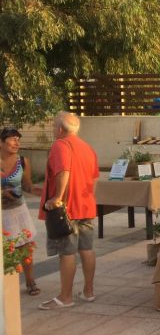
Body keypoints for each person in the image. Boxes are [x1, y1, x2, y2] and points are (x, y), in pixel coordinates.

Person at [37, 112, 99, 310]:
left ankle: (66, 297)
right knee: (86, 249)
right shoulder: (88, 148)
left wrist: (57, 198)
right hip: (86, 205)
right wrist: (88, 199)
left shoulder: (60, 145)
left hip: (67, 208)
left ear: (61, 129)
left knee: (67, 252)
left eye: (54, 125)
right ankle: (88, 292)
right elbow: (94, 179)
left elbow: (63, 170)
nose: (53, 129)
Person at [1, 127, 39, 295]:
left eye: (18, 139)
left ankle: (31, 282)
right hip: (1, 212)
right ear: (1, 142)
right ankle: (8, 284)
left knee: (26, 247)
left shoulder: (23, 161)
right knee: (7, 249)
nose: (17, 142)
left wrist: (42, 191)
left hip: (19, 209)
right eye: (12, 139)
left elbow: (27, 185)